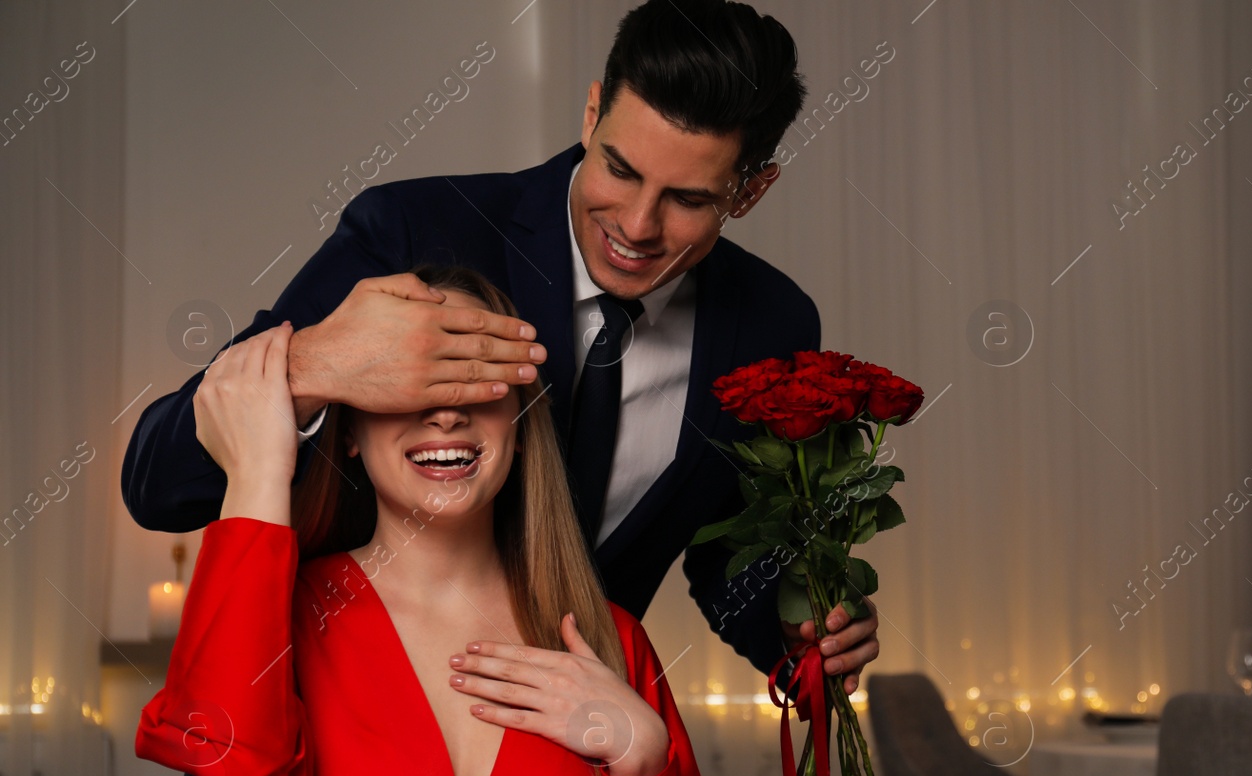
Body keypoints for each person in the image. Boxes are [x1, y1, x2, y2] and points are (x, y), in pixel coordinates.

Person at [120, 0, 881, 697]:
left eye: (689, 199)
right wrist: (315, 363)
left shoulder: (770, 324)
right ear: (590, 115)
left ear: (750, 192)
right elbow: (158, 482)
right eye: (619, 168)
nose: (639, 225)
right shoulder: (413, 231)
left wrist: (797, 633)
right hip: (333, 762)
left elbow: (726, 556)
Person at [136, 267, 721, 776]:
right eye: (411, 385)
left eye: (476, 382)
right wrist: (260, 470)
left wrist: (642, 758)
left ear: (523, 421)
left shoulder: (604, 636)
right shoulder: (282, 616)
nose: (446, 412)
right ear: (349, 430)